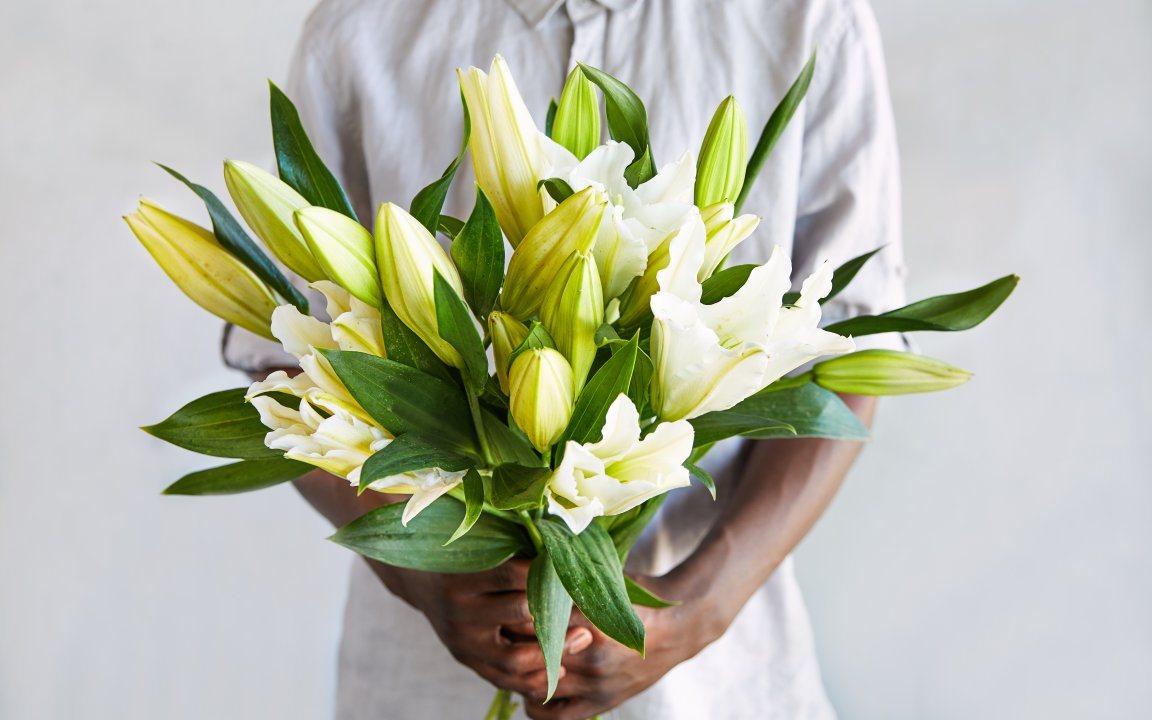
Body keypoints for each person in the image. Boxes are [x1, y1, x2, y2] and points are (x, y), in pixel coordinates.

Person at [223, 0, 908, 717]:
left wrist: (704, 602)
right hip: (425, 673)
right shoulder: (360, 29)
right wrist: (421, 571)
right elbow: (286, 359)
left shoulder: (806, 19)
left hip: (712, 681)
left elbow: (846, 352)